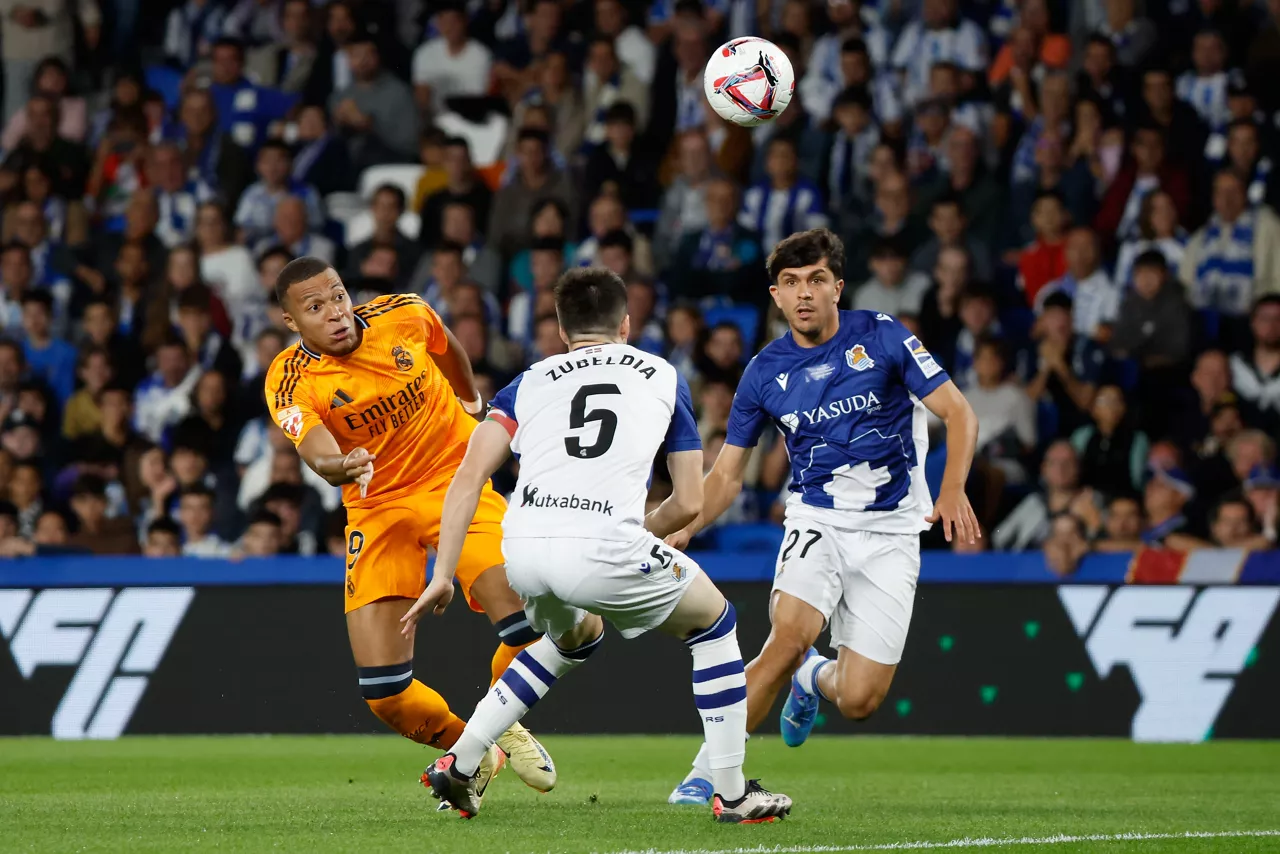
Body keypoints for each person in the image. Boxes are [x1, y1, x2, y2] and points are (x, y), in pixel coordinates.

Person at [404, 266, 792, 823]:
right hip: (603, 543)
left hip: (525, 547)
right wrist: (637, 535)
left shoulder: (531, 380)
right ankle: (732, 794)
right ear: (627, 323)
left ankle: (460, 764)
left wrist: (442, 572)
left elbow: (467, 479)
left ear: (563, 333)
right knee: (714, 624)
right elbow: (687, 501)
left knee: (575, 637)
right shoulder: (661, 374)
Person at [659, 228, 979, 802]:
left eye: (815, 280)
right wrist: (683, 524)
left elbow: (958, 413)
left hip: (892, 533)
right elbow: (727, 475)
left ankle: (812, 678)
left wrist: (951, 487)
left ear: (838, 288)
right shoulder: (762, 372)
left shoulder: (882, 337)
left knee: (859, 700)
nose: (803, 293)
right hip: (817, 521)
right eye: (790, 283)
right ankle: (708, 772)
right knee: (788, 637)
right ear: (776, 296)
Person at [262, 257, 555, 794]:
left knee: (527, 619)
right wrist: (341, 465)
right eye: (315, 307)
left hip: (453, 483)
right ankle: (471, 749)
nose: (335, 312)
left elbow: (449, 348)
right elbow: (316, 451)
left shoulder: (404, 314)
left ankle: (502, 718)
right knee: (385, 693)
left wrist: (471, 402)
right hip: (377, 507)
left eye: (338, 295)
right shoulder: (290, 379)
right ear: (291, 322)